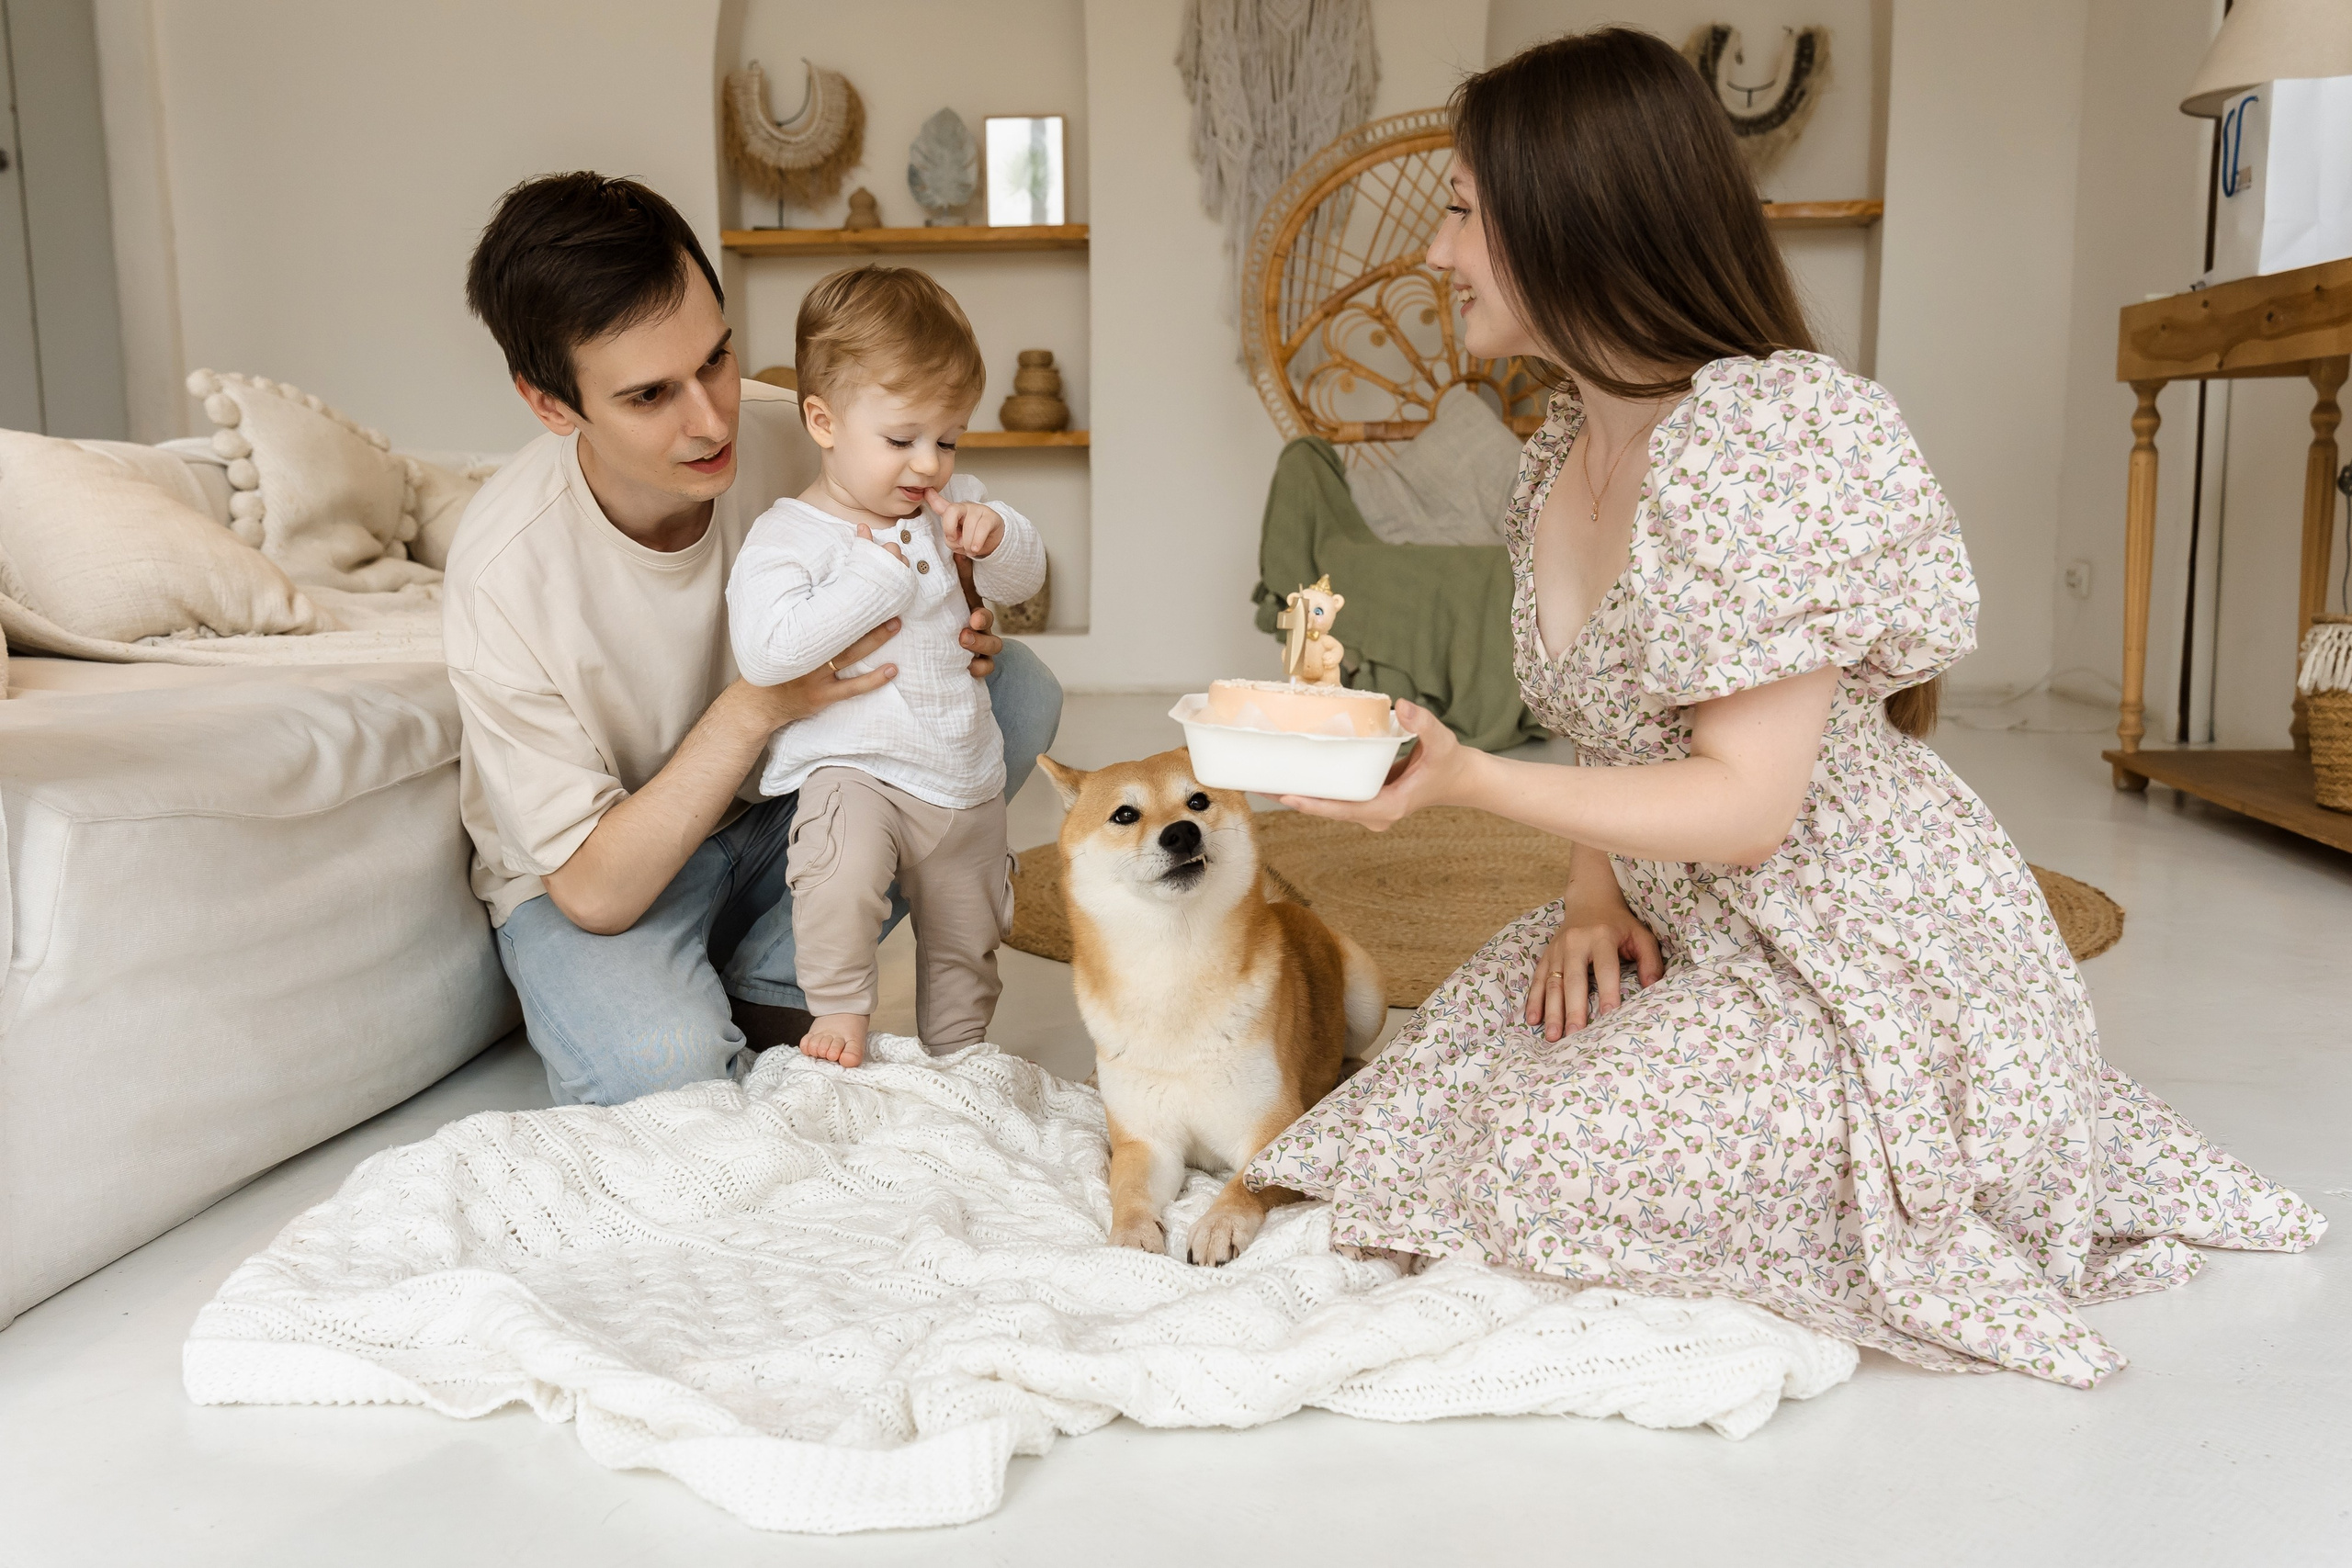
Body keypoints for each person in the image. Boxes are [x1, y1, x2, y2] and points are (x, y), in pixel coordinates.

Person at [1249, 29, 2322, 1387]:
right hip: (1683, 918)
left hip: (1850, 945)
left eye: (1461, 211)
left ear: (1569, 216)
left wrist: (1465, 778)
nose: (1433, 251)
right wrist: (1589, 896)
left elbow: (1748, 807)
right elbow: (1610, 724)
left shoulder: (1765, 435)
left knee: (1544, 1153)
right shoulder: (1558, 456)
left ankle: (1931, 1124)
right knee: (1433, 1093)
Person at [445, 173, 1061, 1106]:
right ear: (551, 404)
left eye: (717, 359)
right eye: (650, 395)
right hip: (613, 875)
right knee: (665, 1076)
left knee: (1018, 692)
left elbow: (948, 560)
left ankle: (776, 980)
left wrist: (961, 623)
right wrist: (756, 706)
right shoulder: (503, 574)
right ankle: (722, 996)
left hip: (783, 805)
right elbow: (595, 893)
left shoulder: (804, 433)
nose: (710, 418)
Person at [728, 268, 1046, 1068]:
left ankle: (959, 1050)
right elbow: (768, 649)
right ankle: (838, 1009)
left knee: (969, 931)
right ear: (823, 421)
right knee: (838, 874)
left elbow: (1021, 582)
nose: (930, 464)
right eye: (902, 440)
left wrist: (999, 536)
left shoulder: (955, 503)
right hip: (855, 768)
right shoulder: (792, 533)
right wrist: (875, 577)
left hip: (962, 774)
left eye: (949, 439)